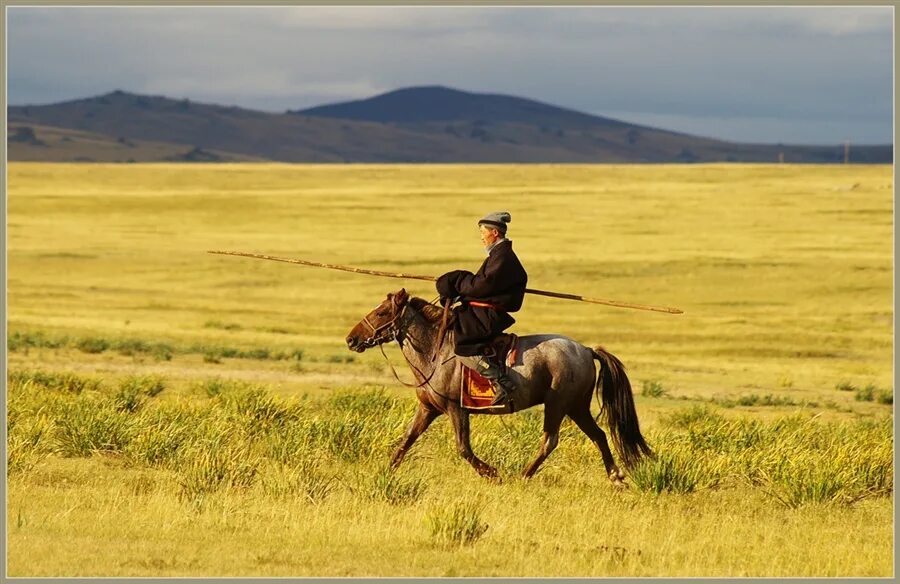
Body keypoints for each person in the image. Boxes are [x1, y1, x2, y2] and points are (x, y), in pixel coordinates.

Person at [436, 211, 528, 405]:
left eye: (482, 232)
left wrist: (459, 280)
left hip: (489, 315)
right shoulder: (498, 254)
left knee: (462, 345)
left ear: (495, 232)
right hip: (483, 310)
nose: (481, 237)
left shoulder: (503, 257)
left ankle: (502, 382)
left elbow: (482, 285)